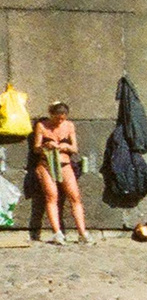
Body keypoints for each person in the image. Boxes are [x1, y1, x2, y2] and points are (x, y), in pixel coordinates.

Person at [27, 102, 90, 245]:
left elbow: (75, 148)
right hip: (46, 164)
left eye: (62, 118)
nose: (59, 121)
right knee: (51, 196)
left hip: (65, 164)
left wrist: (66, 146)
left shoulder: (69, 126)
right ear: (51, 115)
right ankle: (57, 233)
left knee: (75, 196)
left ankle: (82, 232)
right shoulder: (42, 126)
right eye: (57, 118)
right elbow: (36, 148)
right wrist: (46, 146)